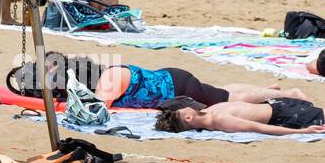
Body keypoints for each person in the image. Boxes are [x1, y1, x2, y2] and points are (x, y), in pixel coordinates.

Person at [88, 60, 305, 109]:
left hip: (177, 87)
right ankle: (268, 90)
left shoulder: (107, 81)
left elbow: (101, 113)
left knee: (226, 99)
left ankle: (289, 93)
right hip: (174, 79)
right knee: (222, 93)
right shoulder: (109, 74)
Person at [155, 95, 325, 135]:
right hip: (288, 118)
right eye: (181, 110)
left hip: (280, 105)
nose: (183, 105)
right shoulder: (218, 121)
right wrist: (300, 132)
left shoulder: (207, 109)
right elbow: (258, 129)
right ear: (187, 119)